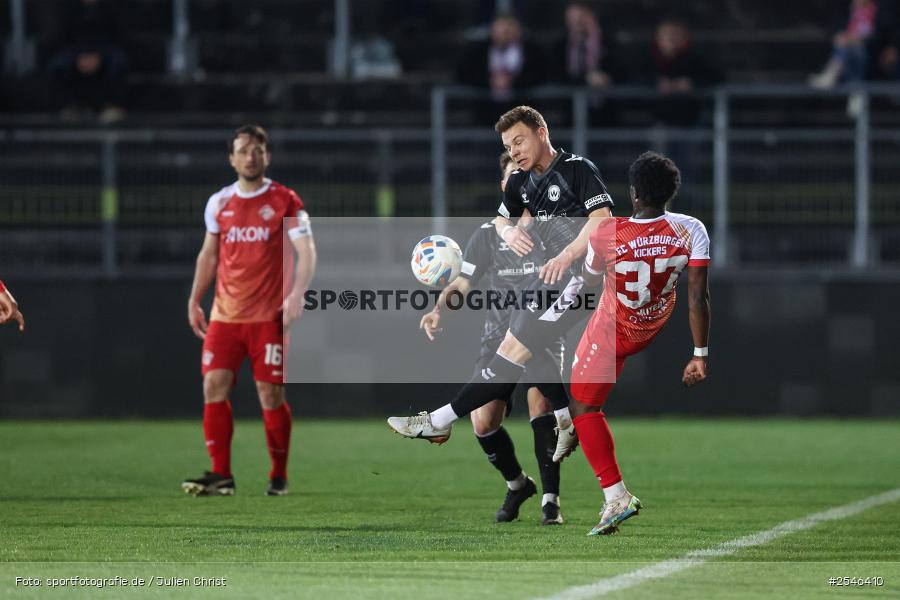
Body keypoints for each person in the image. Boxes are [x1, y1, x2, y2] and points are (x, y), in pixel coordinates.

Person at [388, 105, 614, 462]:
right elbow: (499, 220)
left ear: (542, 132)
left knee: (512, 352)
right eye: (509, 147)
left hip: (580, 277)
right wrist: (508, 231)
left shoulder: (576, 170)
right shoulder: (522, 183)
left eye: (520, 141)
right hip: (551, 280)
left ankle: (439, 420)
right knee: (515, 349)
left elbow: (603, 221)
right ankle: (565, 421)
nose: (515, 152)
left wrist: (567, 255)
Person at [417, 153, 566, 525]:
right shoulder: (486, 235)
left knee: (541, 407)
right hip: (498, 339)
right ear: (504, 187)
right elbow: (463, 284)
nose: (520, 181)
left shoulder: (551, 230)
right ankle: (518, 484)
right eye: (512, 175)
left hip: (541, 333)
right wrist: (438, 310)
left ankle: (551, 501)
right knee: (483, 424)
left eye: (526, 175)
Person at [569, 151, 711, 536]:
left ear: (633, 193)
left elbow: (588, 279)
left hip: (613, 328)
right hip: (651, 328)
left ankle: (616, 495)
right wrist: (699, 354)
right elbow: (699, 298)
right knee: (581, 397)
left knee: (582, 405)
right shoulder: (690, 229)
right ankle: (569, 427)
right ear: (671, 192)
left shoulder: (607, 232)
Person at [182, 125, 317, 497]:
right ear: (232, 158)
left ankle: (278, 474)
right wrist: (195, 298)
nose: (250, 157)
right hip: (225, 317)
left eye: (257, 150)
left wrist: (297, 294)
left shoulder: (285, 199)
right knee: (213, 386)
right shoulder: (219, 202)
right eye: (243, 150)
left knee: (269, 395)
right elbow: (209, 254)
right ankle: (221, 473)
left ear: (267, 156)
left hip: (267, 317)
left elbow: (307, 251)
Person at [456, 14, 547, 105]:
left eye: (508, 29)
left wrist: (512, 81)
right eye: (501, 30)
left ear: (518, 30)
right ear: (492, 30)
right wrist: (490, 81)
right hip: (485, 106)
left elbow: (542, 74)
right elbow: (464, 73)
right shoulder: (478, 50)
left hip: (523, 106)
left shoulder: (532, 50)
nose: (505, 34)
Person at [810, 0, 882, 88]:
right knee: (845, 49)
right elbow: (839, 27)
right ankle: (856, 89)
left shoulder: (876, 10)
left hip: (866, 50)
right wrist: (840, 36)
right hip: (848, 48)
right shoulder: (848, 8)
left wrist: (854, 39)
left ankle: (831, 74)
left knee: (847, 49)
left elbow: (875, 36)